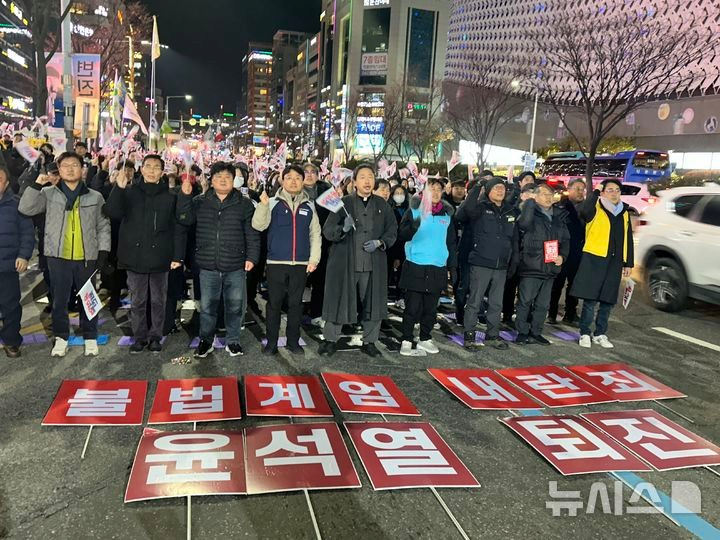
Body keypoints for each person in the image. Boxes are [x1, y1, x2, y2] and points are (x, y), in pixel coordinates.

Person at [19, 151, 111, 358]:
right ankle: (61, 337)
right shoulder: (48, 193)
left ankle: (90, 336)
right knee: (59, 301)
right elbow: (25, 208)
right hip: (57, 257)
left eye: (75, 165)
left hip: (86, 257)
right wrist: (36, 185)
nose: (70, 168)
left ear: (82, 169)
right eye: (65, 165)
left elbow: (103, 226)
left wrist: (103, 251)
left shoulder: (95, 197)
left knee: (88, 299)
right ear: (59, 170)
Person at [177, 161, 260, 358]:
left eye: (227, 177)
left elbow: (252, 233)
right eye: (218, 177)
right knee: (207, 308)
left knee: (234, 306)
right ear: (211, 180)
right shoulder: (199, 201)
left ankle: (233, 341)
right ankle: (206, 340)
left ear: (234, 180)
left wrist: (252, 257)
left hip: (235, 264)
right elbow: (184, 219)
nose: (223, 180)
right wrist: (184, 196)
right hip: (207, 264)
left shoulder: (244, 203)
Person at [103, 154, 185, 354]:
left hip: (161, 256)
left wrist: (177, 256)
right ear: (141, 169)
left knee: (158, 300)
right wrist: (118, 188)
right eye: (148, 166)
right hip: (134, 256)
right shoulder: (129, 192)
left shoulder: (171, 195)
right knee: (138, 300)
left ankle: (156, 337)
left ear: (162, 172)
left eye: (156, 167)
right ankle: (139, 337)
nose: (151, 170)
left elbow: (177, 228)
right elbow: (112, 212)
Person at [319, 163, 398, 357]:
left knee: (374, 302)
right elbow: (328, 231)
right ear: (354, 182)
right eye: (362, 177)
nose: (367, 181)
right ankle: (330, 339)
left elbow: (392, 230)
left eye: (370, 176)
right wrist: (342, 229)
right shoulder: (342, 203)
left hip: (373, 263)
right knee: (338, 298)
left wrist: (380, 242)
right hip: (346, 261)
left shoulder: (382, 205)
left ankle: (370, 341)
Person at [252, 164, 321, 355]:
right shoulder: (272, 202)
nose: (293, 181)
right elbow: (258, 225)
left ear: (302, 182)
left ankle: (293, 341)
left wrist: (313, 259)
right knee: (274, 304)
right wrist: (263, 206)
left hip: (300, 264)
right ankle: (272, 342)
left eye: (298, 178)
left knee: (296, 305)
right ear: (282, 180)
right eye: (289, 177)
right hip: (276, 263)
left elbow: (315, 234)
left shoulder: (309, 205)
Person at [456, 177, 518, 350]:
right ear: (488, 191)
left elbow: (513, 238)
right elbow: (467, 208)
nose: (500, 190)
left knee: (496, 303)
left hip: (501, 265)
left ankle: (492, 334)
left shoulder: (509, 211)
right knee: (475, 301)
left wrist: (514, 260)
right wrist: (477, 186)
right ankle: (469, 335)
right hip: (481, 262)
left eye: (502, 188)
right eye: (496, 187)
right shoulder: (480, 208)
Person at [571, 179, 634, 348]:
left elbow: (628, 238)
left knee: (608, 300)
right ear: (603, 192)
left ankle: (600, 333)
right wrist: (596, 191)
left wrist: (628, 263)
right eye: (610, 190)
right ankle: (585, 332)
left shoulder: (624, 212)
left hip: (615, 260)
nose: (614, 193)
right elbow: (583, 211)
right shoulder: (595, 208)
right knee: (590, 299)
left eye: (617, 190)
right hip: (595, 257)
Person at [398, 179, 457, 356]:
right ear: (425, 192)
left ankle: (425, 337)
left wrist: (452, 267)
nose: (436, 193)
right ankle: (407, 338)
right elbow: (402, 235)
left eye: (439, 189)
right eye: (432, 189)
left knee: (431, 308)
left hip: (437, 266)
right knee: (412, 307)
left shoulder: (446, 215)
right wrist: (413, 225)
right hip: (415, 264)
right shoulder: (414, 211)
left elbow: (451, 243)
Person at [512, 183, 570, 345]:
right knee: (525, 301)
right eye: (544, 194)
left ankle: (536, 332)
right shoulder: (529, 211)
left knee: (543, 304)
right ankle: (522, 332)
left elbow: (565, 241)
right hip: (531, 265)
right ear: (535, 196)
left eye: (550, 194)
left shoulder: (559, 216)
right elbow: (523, 224)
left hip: (551, 267)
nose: (548, 197)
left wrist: (562, 257)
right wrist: (530, 202)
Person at [0, 167, 34, 358]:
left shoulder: (16, 205)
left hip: (7, 266)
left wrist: (24, 255)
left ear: (6, 183)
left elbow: (27, 233)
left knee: (10, 306)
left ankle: (11, 341)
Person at [548, 178, 586, 324]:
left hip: (577, 251)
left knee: (574, 285)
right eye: (577, 188)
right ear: (569, 189)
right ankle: (552, 313)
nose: (580, 192)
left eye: (582, 189)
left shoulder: (586, 208)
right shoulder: (560, 207)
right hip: (561, 251)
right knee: (557, 283)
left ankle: (570, 313)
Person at [302, 162, 332, 325]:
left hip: (322, 242)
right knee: (297, 281)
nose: (309, 174)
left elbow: (337, 213)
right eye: (305, 172)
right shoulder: (294, 190)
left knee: (320, 281)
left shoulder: (326, 190)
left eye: (313, 171)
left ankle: (317, 313)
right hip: (299, 242)